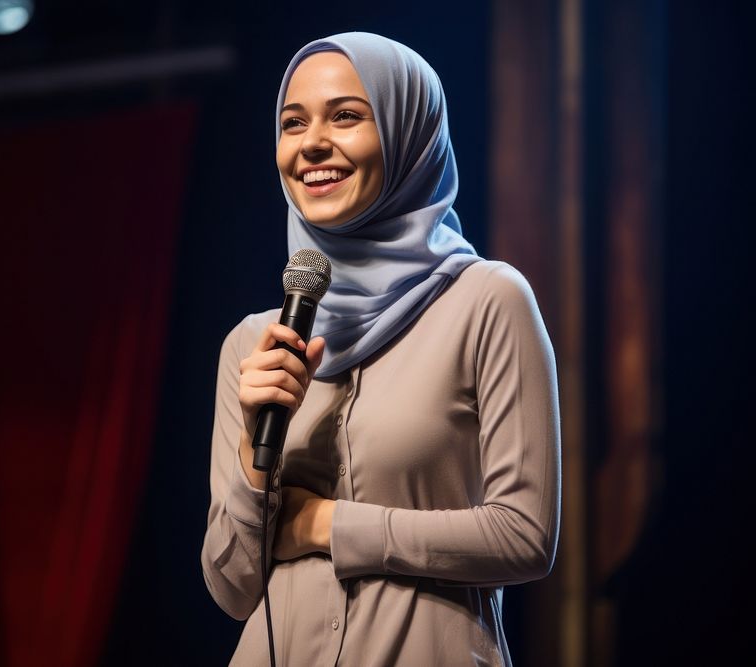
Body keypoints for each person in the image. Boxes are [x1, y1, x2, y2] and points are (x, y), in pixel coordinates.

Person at [201, 32, 560, 667]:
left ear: (407, 134)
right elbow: (232, 589)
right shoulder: (253, 346)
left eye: (346, 115)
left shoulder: (486, 301)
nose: (312, 142)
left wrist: (325, 526)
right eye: (292, 122)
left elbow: (524, 536)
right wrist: (254, 461)